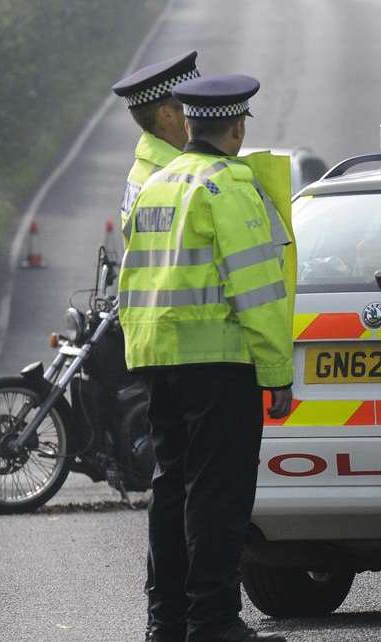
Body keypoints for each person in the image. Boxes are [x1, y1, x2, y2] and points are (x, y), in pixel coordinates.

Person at [118, 73, 293, 642]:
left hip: (158, 359)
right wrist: (277, 371)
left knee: (171, 490)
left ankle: (165, 621)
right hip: (219, 361)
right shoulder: (229, 184)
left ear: (188, 122)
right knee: (219, 495)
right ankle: (213, 620)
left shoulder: (156, 182)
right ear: (237, 127)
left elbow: (132, 275)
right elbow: (258, 289)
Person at [112, 52, 202, 642]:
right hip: (186, 344)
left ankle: (170, 617)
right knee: (186, 487)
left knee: (175, 483)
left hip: (161, 343)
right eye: (192, 107)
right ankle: (181, 615)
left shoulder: (151, 168)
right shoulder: (170, 175)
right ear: (169, 113)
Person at [112, 51, 200, 247]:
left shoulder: (147, 167)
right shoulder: (174, 178)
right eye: (194, 104)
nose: (203, 112)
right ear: (167, 115)